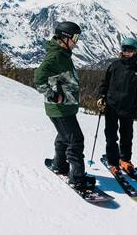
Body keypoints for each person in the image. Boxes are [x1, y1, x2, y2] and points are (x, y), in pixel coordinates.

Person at [34, 21, 95, 190]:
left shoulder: (63, 53)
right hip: (59, 108)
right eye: (75, 37)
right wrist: (52, 95)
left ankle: (59, 164)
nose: (76, 41)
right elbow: (38, 78)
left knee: (64, 136)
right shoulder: (55, 56)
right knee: (75, 140)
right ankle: (77, 178)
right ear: (65, 38)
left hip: (65, 106)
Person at [97, 37, 137, 175]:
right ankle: (113, 162)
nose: (127, 52)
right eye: (125, 49)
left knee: (127, 136)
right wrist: (101, 97)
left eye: (130, 50)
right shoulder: (114, 66)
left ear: (136, 52)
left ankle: (125, 160)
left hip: (128, 108)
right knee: (111, 136)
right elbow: (104, 83)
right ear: (121, 50)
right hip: (111, 106)